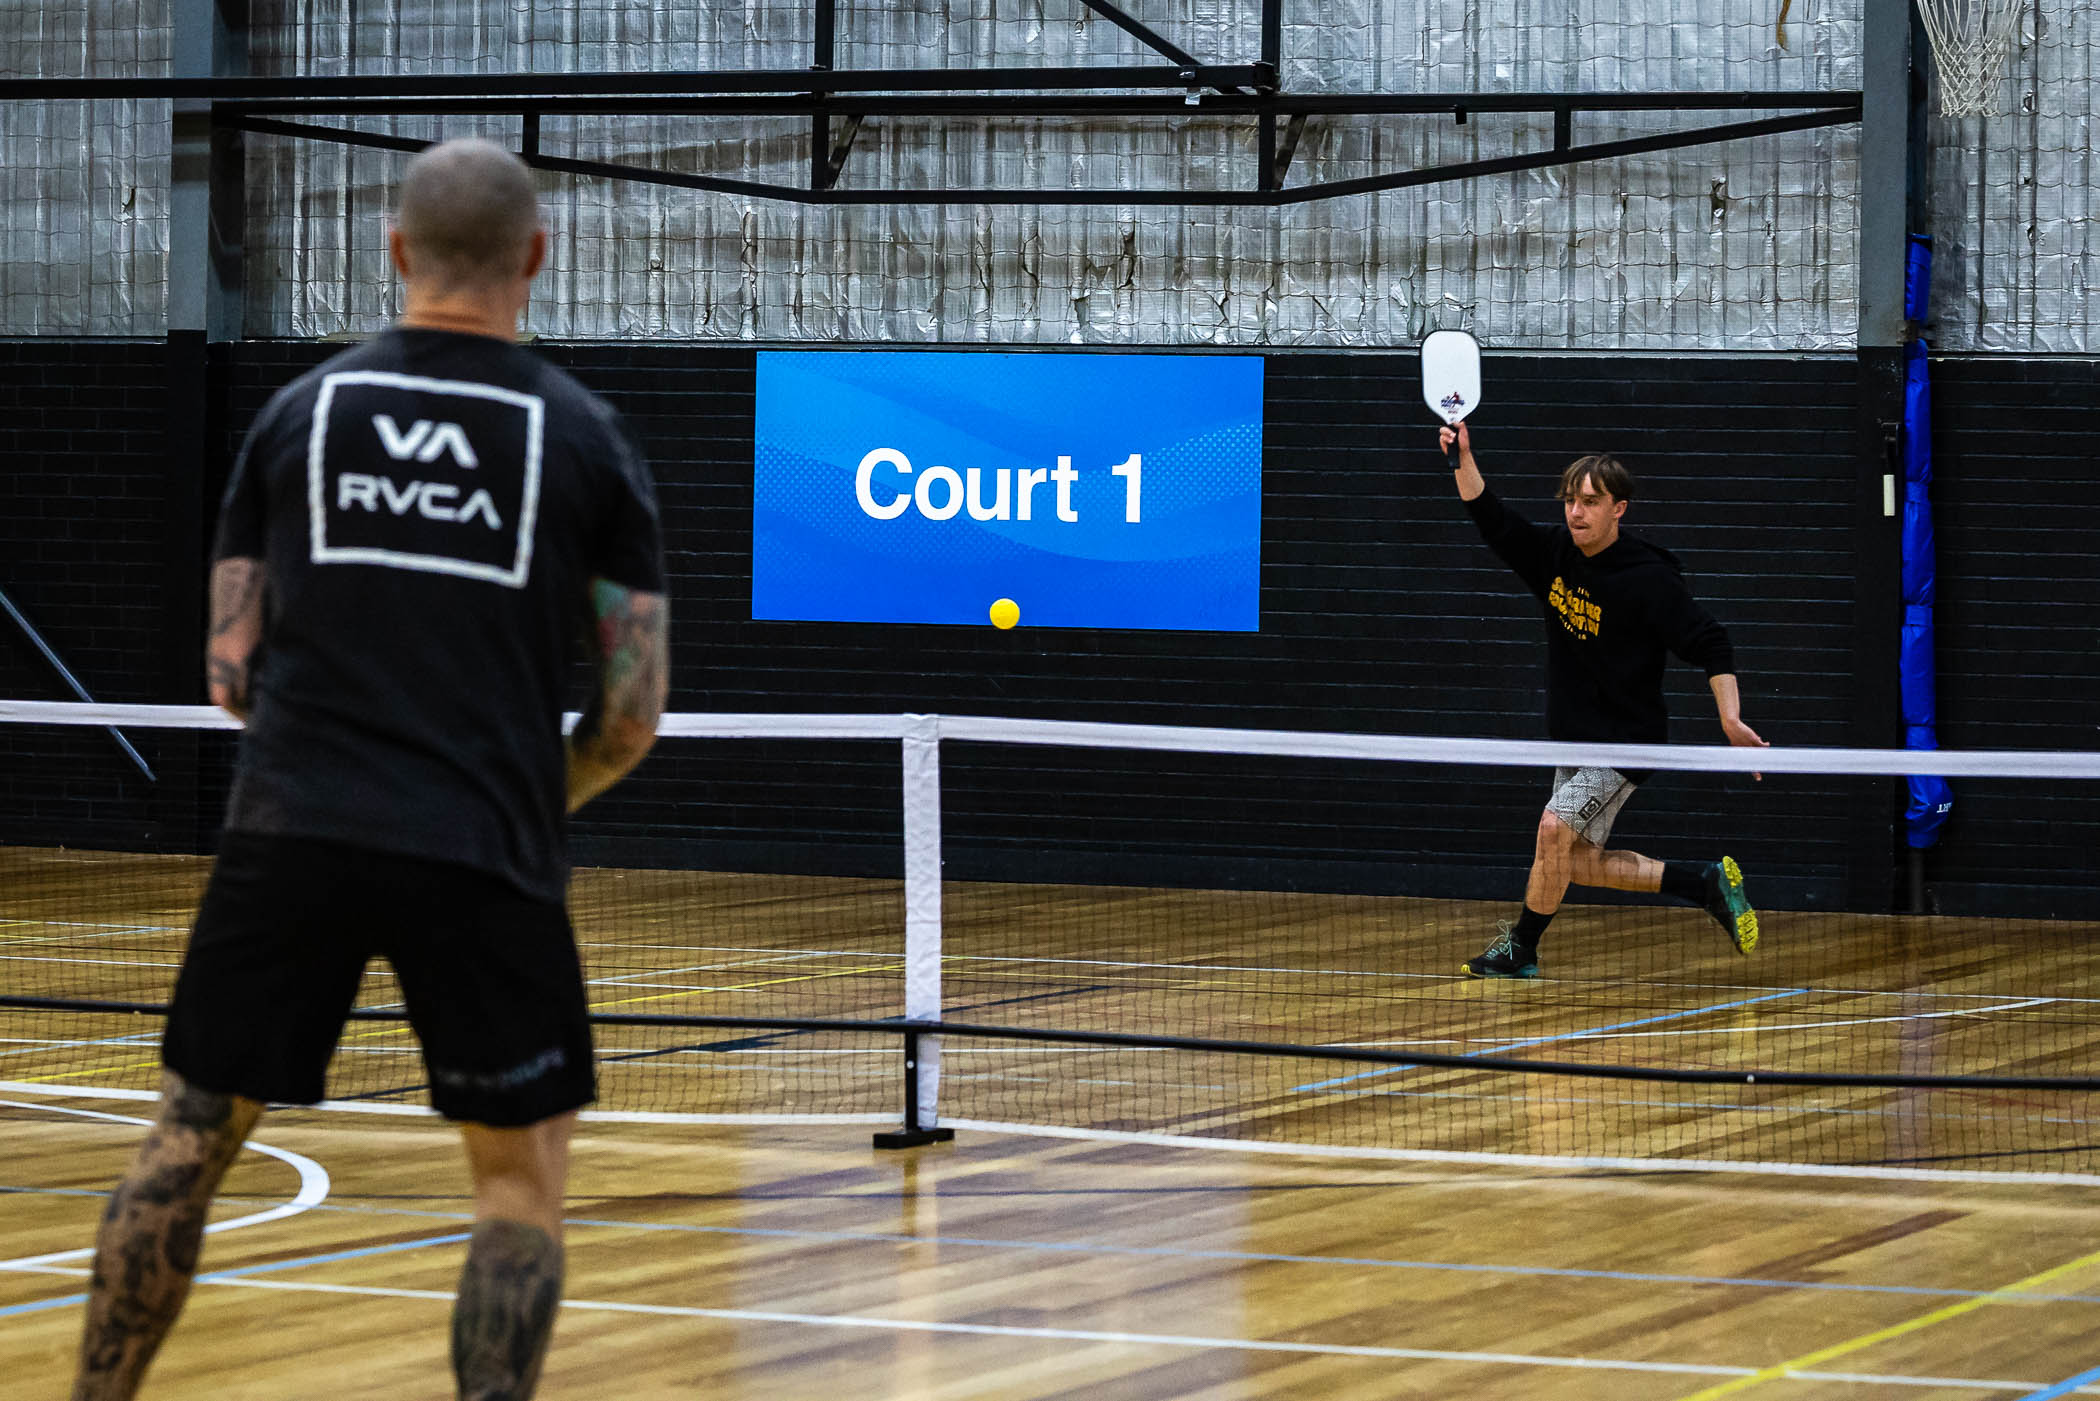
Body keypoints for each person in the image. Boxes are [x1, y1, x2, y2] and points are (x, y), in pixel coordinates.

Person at [72, 138, 668, 1401]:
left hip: (294, 831)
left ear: (395, 252)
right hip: (487, 851)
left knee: (188, 1138)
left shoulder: (299, 416)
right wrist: (516, 790)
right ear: (538, 260)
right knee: (518, 1182)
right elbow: (629, 717)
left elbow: (230, 673)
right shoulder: (589, 442)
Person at [1439, 419, 1765, 979]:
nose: (1575, 512)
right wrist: (1461, 456)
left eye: (1590, 501)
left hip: (1627, 741)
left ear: (1619, 509)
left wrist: (1730, 718)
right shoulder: (1555, 555)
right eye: (1570, 500)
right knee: (1572, 860)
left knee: (1550, 831)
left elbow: (1712, 640)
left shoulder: (1648, 579)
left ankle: (1521, 949)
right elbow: (1492, 519)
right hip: (1573, 735)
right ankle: (1703, 883)